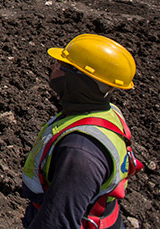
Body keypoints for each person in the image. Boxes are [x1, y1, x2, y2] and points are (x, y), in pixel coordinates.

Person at [22, 34, 142, 229]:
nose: (52, 67)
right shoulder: (109, 112)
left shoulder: (80, 152)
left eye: (61, 65)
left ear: (81, 80)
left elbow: (58, 223)